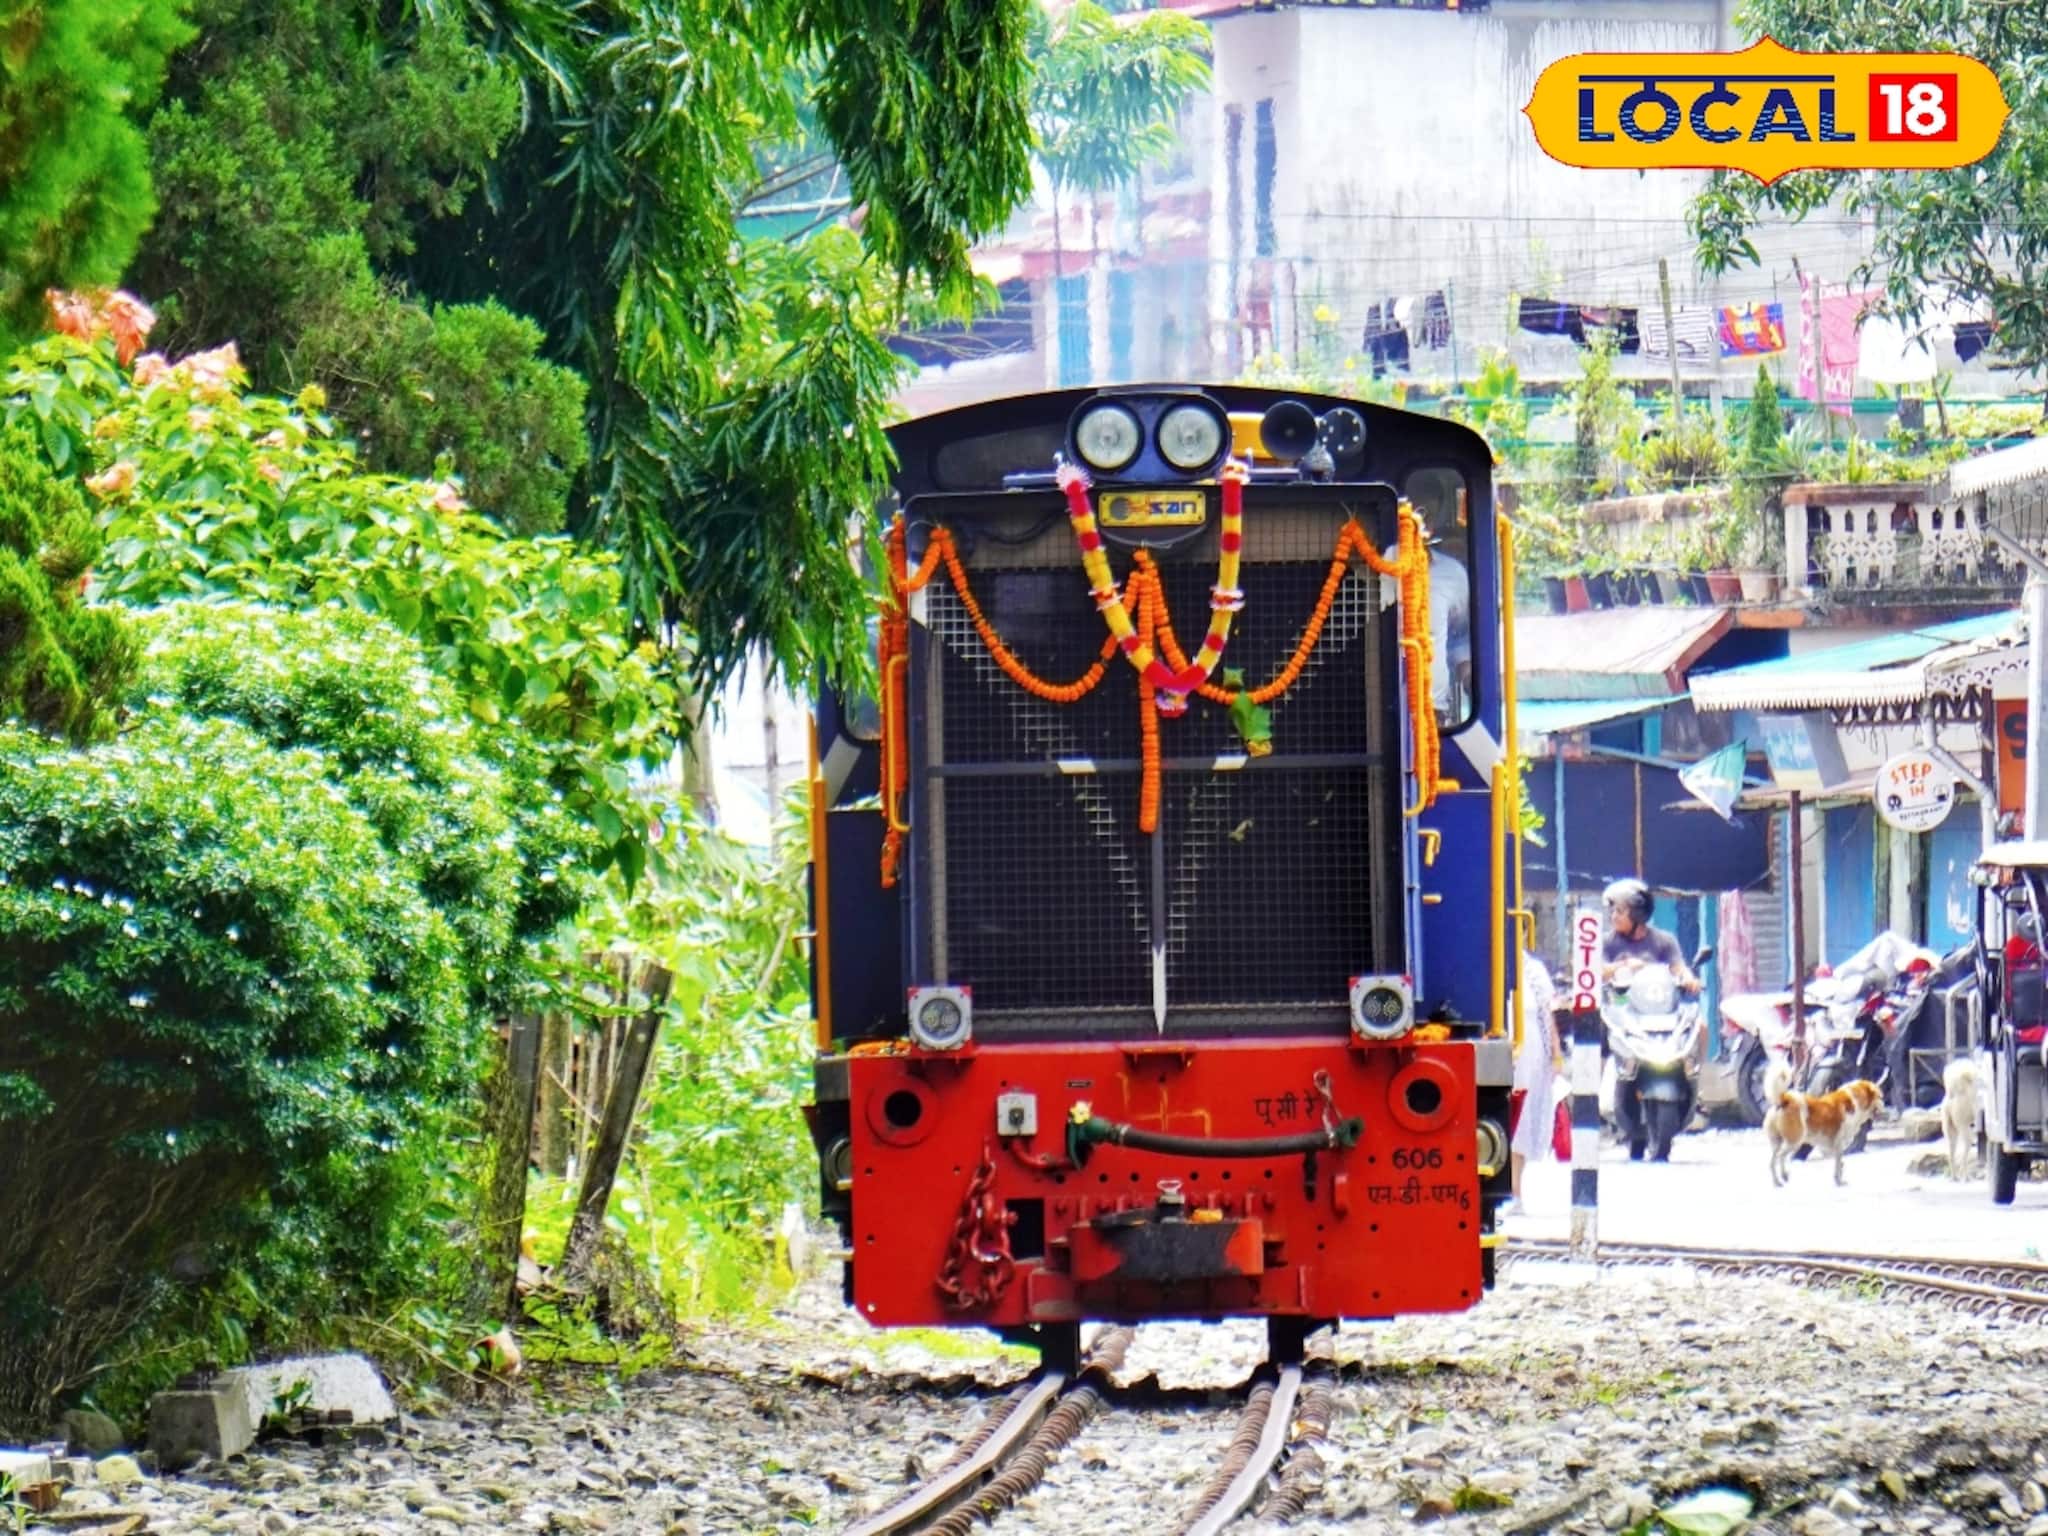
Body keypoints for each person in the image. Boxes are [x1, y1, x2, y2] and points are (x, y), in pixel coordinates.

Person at [1504, 950, 1562, 1218]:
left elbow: (1547, 1015)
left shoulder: (1534, 970)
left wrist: (1556, 1054)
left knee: (1523, 1121)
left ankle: (1515, 1192)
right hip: (1499, 1042)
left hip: (1531, 1049)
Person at [1599, 878, 1699, 991]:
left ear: (1638, 914)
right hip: (1618, 1000)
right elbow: (1599, 971)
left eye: (1620, 911)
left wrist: (1688, 979)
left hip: (1656, 998)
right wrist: (1625, 965)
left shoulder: (1664, 941)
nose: (1614, 917)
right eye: (1612, 911)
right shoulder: (1605, 942)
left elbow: (1678, 967)